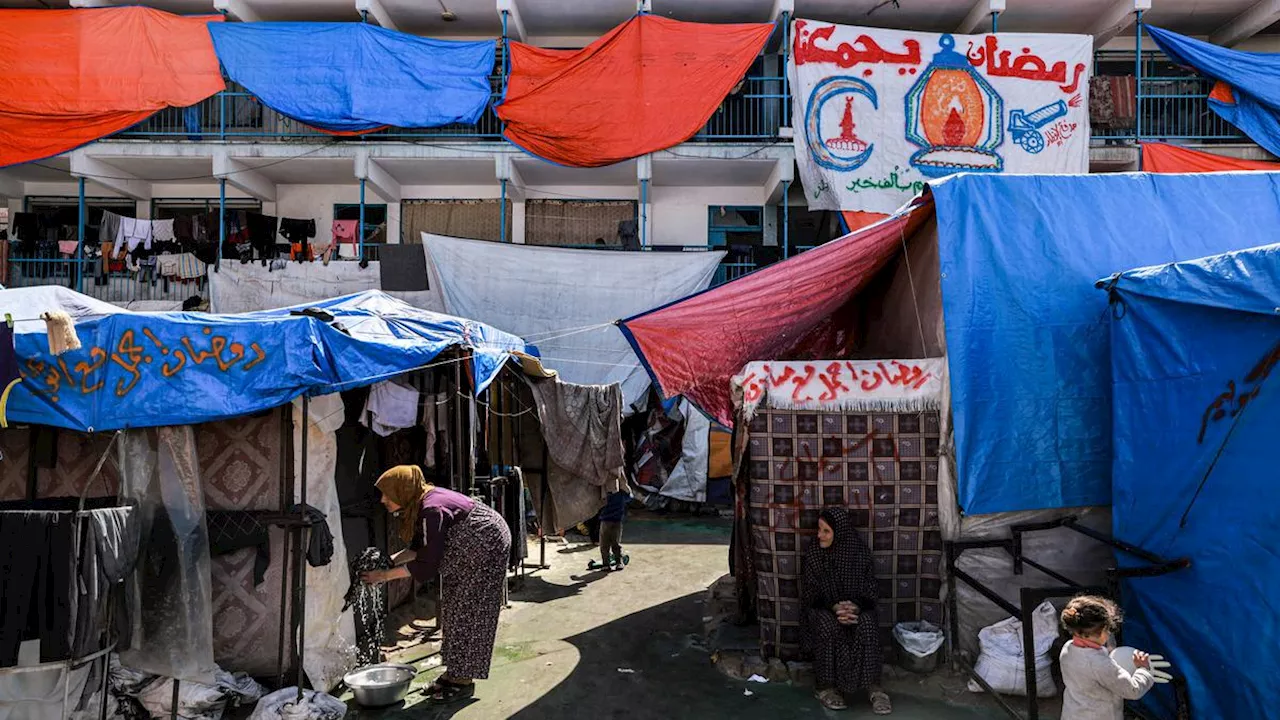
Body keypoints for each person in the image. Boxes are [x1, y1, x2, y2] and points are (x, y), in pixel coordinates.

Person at [360, 466, 512, 703]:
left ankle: (463, 680)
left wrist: (384, 576)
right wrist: (387, 562)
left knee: (471, 611)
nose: (383, 500)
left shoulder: (432, 509)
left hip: (486, 545)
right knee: (453, 608)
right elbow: (419, 547)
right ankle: (455, 672)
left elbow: (427, 563)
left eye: (387, 494)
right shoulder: (420, 504)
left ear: (402, 491)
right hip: (467, 546)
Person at [801, 507, 891, 714]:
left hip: (855, 609)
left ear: (839, 532)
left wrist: (855, 607)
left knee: (867, 623)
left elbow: (871, 590)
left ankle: (875, 689)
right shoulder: (815, 554)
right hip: (824, 609)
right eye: (819, 530)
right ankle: (826, 688)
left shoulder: (859, 553)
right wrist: (834, 607)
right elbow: (810, 593)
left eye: (826, 531)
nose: (819, 535)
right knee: (826, 624)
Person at [1059, 595, 1155, 720]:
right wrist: (1143, 670)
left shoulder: (1067, 649)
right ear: (1103, 630)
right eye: (1108, 630)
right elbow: (1132, 690)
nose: (1109, 634)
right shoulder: (1100, 664)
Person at [595, 490, 630, 571]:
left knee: (604, 544)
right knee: (615, 543)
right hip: (617, 520)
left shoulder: (604, 492)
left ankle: (606, 564)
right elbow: (629, 497)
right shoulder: (622, 492)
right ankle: (618, 563)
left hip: (606, 520)